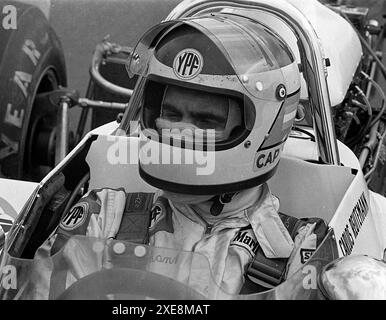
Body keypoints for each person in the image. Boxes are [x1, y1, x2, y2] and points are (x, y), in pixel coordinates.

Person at [35, 13, 322, 299]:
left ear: (264, 130)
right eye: (170, 115)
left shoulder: (301, 252)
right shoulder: (104, 216)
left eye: (206, 120)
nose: (177, 133)